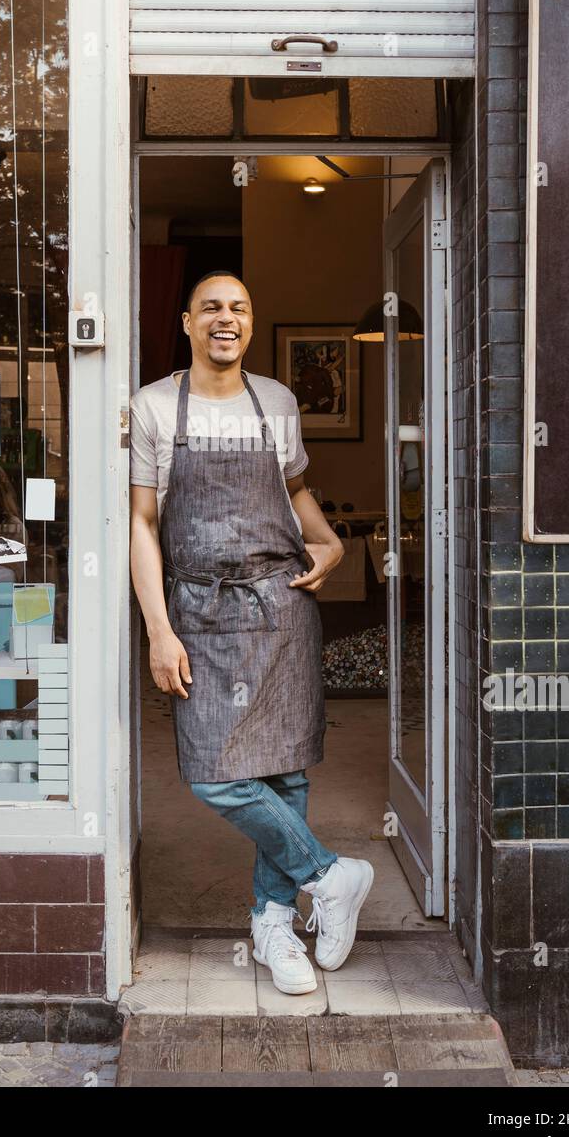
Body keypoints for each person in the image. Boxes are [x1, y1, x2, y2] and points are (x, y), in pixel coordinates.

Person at [129, 271, 374, 995]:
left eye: (237, 308)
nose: (224, 319)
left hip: (279, 606)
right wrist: (158, 630)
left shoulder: (278, 401)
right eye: (210, 308)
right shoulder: (152, 407)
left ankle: (273, 926)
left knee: (285, 770)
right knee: (214, 774)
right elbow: (144, 524)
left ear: (251, 321)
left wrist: (327, 543)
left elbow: (294, 490)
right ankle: (330, 877)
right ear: (186, 322)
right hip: (199, 611)